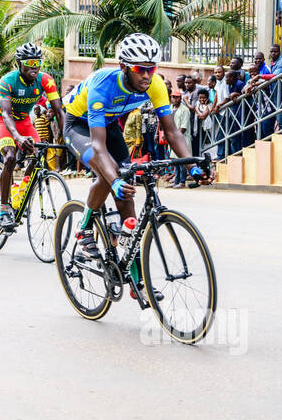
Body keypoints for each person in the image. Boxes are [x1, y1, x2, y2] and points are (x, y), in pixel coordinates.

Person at [61, 33, 209, 277]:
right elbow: (98, 147)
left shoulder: (155, 85)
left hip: (108, 125)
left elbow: (171, 132)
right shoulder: (101, 84)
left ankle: (137, 279)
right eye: (141, 69)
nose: (147, 75)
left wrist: (192, 165)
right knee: (109, 175)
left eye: (152, 69)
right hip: (79, 125)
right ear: (123, 67)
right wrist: (115, 180)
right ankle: (84, 227)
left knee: (126, 194)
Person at [0, 43, 66, 230]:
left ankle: (22, 189)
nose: (35, 66)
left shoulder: (46, 80)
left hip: (24, 120)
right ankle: (3, 208)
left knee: (39, 152)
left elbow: (58, 110)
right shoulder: (8, 80)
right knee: (9, 156)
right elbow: (6, 114)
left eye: (38, 62)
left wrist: (68, 138)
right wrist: (17, 137)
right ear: (19, 63)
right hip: (3, 120)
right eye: (30, 62)